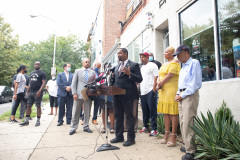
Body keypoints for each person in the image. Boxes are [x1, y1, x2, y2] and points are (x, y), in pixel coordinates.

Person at [174, 45, 202, 160]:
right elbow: (182, 84)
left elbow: (195, 84)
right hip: (182, 95)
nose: (178, 57)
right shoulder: (183, 66)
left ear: (186, 52)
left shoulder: (194, 63)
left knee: (188, 123)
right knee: (182, 122)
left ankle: (190, 151)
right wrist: (177, 93)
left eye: (179, 54)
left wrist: (182, 95)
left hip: (189, 96)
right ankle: (187, 145)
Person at [110, 48, 142, 147]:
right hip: (117, 95)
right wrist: (111, 78)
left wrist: (130, 74)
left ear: (125, 53)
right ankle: (119, 136)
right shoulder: (116, 67)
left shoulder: (134, 65)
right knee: (118, 116)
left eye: (119, 53)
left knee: (129, 117)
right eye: (117, 54)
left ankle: (131, 138)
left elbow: (140, 79)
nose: (118, 55)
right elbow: (115, 80)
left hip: (128, 95)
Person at [156, 47, 180, 147]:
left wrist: (160, 83)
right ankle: (166, 133)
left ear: (172, 53)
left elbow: (170, 75)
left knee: (173, 113)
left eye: (167, 52)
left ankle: (173, 136)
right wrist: (158, 82)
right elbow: (159, 75)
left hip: (171, 90)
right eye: (164, 52)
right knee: (166, 112)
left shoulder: (175, 62)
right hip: (163, 91)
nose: (164, 53)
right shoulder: (164, 64)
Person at [69, 58, 96, 135]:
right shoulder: (77, 71)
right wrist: (74, 93)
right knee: (75, 112)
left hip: (88, 94)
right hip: (78, 94)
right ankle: (73, 128)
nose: (87, 63)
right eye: (86, 62)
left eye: (88, 62)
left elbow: (94, 83)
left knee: (87, 111)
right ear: (82, 63)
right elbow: (73, 83)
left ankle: (86, 126)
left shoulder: (93, 72)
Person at [19, 61, 46, 127]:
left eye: (38, 64)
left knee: (38, 106)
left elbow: (44, 83)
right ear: (34, 65)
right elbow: (30, 83)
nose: (37, 65)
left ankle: (38, 120)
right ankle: (26, 120)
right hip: (31, 92)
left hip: (38, 92)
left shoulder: (42, 73)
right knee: (28, 105)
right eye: (36, 64)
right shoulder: (32, 73)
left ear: (40, 66)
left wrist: (39, 92)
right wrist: (27, 91)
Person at [139, 52, 158, 136]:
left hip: (150, 90)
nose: (141, 59)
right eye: (140, 57)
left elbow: (156, 77)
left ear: (147, 57)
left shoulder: (153, 65)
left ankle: (154, 129)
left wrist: (153, 89)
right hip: (143, 91)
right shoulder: (142, 67)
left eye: (143, 57)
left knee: (152, 110)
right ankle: (145, 126)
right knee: (145, 110)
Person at [99, 62, 115, 134]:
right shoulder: (102, 75)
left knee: (111, 110)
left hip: (111, 94)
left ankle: (112, 127)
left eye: (110, 68)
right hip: (103, 93)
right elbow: (98, 82)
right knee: (104, 110)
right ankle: (104, 127)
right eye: (107, 68)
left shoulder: (114, 75)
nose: (108, 69)